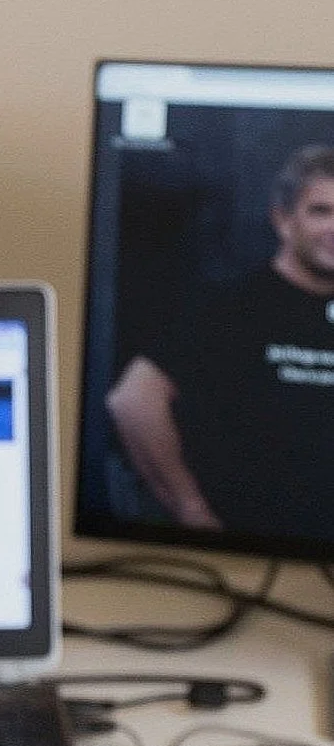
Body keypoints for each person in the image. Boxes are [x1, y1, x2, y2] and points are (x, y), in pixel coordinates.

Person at [107, 144, 334, 542]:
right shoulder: (228, 308)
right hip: (240, 555)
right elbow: (132, 400)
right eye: (321, 211)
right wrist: (190, 510)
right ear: (283, 221)